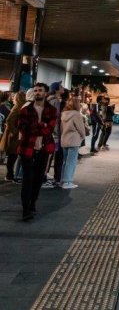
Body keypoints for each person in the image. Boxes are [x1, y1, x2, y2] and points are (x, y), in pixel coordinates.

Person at [17, 82, 57, 221]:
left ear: (46, 93)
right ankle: (25, 210)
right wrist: (42, 125)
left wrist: (35, 126)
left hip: (43, 149)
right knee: (27, 180)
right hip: (27, 148)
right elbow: (23, 128)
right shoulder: (26, 109)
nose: (37, 92)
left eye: (40, 90)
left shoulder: (51, 110)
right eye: (35, 90)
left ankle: (32, 203)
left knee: (38, 179)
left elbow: (50, 129)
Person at [60, 96, 86, 189]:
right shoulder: (76, 114)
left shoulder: (63, 114)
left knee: (65, 161)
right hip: (74, 140)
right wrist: (82, 136)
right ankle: (67, 182)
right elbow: (81, 128)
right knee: (71, 162)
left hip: (64, 139)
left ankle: (63, 180)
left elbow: (61, 128)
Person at [0, 91, 26, 182]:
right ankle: (10, 175)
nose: (12, 98)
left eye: (14, 97)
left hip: (14, 136)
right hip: (15, 136)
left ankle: (10, 175)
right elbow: (9, 120)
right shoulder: (18, 108)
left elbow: (9, 120)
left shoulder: (18, 108)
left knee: (12, 155)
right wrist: (15, 131)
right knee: (12, 155)